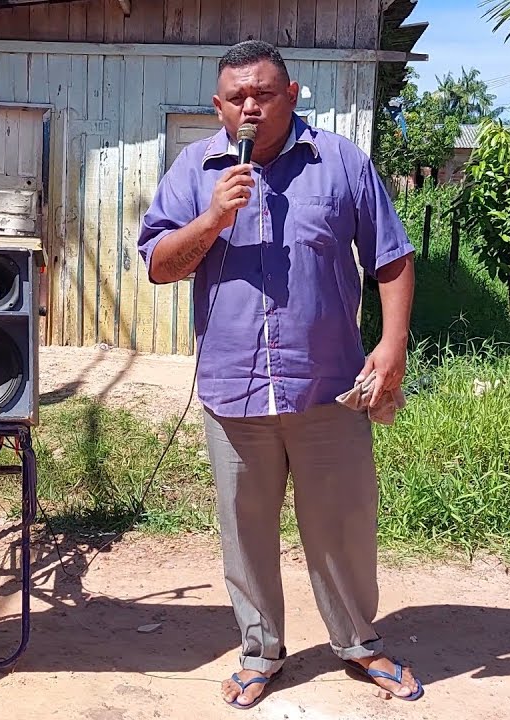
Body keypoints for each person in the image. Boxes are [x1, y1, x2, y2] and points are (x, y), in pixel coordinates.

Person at [136, 40, 419, 708]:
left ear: (291, 97)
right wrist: (211, 218)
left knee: (342, 527)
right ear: (218, 106)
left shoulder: (340, 162)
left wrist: (394, 343)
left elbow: (392, 257)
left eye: (263, 94)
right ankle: (261, 650)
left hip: (328, 388)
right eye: (237, 97)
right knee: (246, 532)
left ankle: (359, 643)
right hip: (233, 393)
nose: (250, 107)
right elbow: (159, 264)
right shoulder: (195, 168)